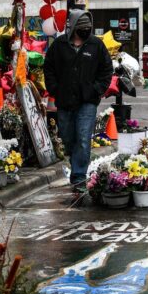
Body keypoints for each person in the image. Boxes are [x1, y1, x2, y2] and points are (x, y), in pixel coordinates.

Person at [44, 10, 113, 190]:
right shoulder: (59, 45)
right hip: (65, 101)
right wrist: (55, 90)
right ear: (74, 27)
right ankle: (76, 166)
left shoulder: (96, 45)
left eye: (88, 28)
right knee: (68, 138)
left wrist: (95, 90)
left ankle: (79, 178)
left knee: (83, 139)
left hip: (87, 102)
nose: (86, 31)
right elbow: (48, 69)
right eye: (83, 28)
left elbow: (106, 70)